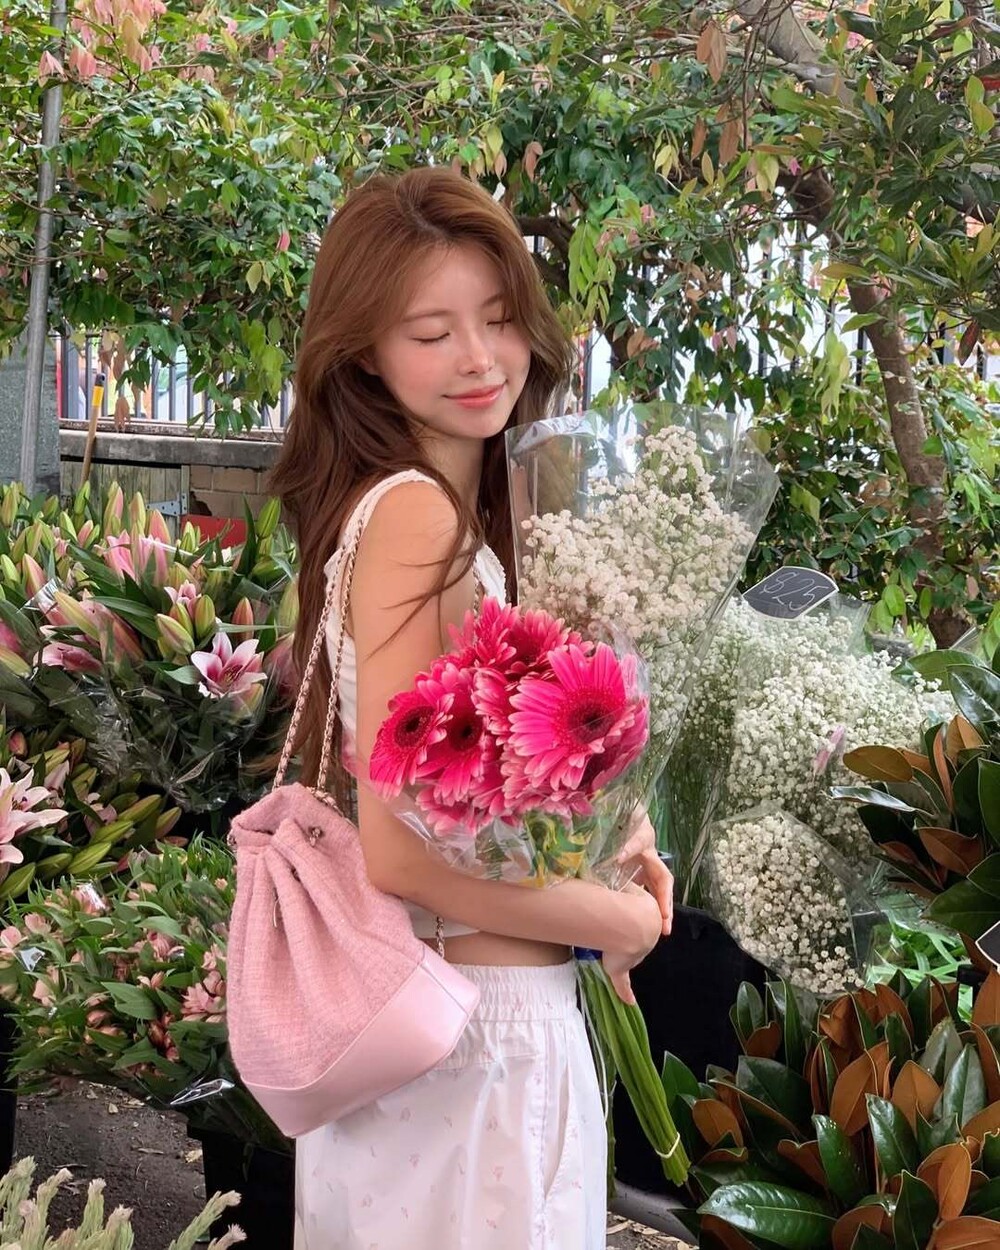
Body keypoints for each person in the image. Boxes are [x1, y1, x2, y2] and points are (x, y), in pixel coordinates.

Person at [270, 167, 673, 1250]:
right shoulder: (414, 518)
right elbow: (399, 852)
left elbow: (484, 803)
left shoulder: (451, 512)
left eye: (496, 319)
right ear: (362, 351)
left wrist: (610, 832)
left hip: (462, 1039)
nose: (480, 358)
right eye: (431, 331)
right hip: (470, 1040)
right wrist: (616, 921)